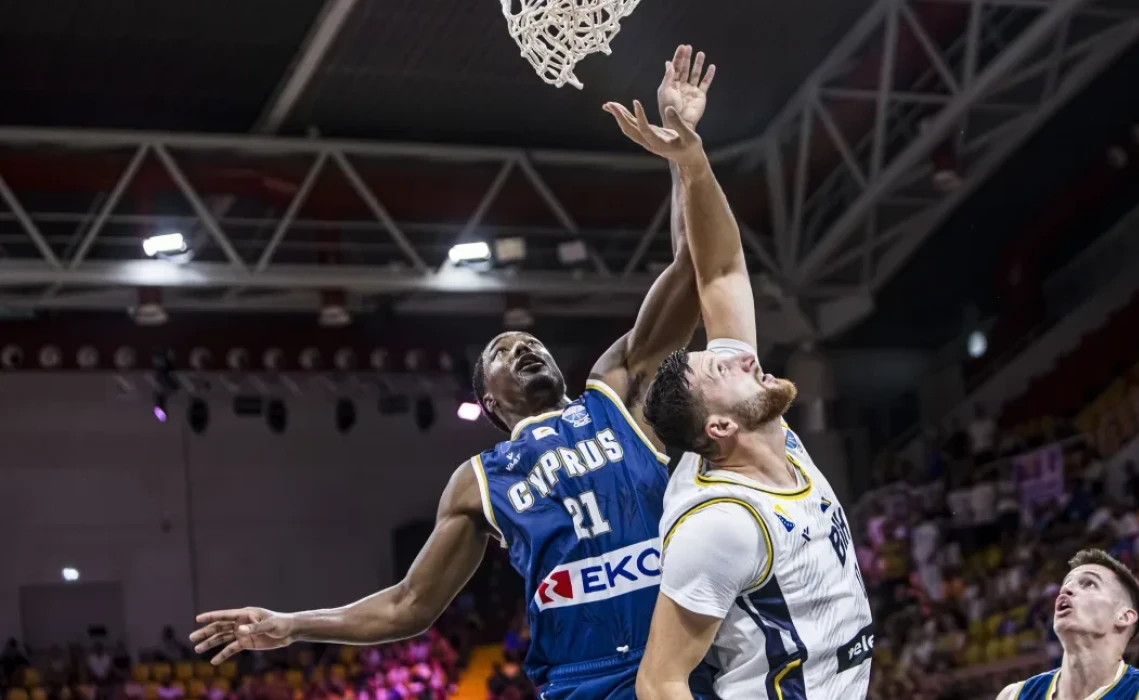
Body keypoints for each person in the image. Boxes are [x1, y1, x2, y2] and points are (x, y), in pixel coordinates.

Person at [188, 45, 719, 700]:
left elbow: (693, 272)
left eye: (532, 342)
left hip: (689, 655)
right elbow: (409, 604)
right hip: (585, 682)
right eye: (503, 350)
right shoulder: (479, 482)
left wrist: (682, 156)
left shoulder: (615, 390)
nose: (525, 348)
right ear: (491, 404)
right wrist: (294, 625)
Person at [603, 91, 872, 698]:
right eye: (726, 372)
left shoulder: (767, 433)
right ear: (721, 428)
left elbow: (720, 272)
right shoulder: (720, 523)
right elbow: (660, 681)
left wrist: (692, 164)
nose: (747, 357)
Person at [995, 549, 1139, 700]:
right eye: (1066, 584)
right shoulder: (1013, 696)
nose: (1066, 590)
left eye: (1089, 584)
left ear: (1123, 616)